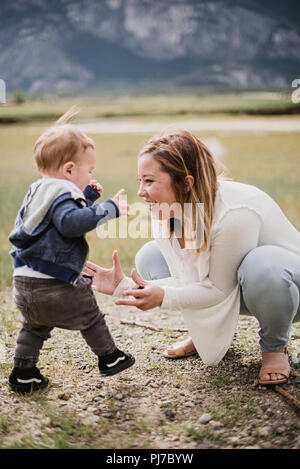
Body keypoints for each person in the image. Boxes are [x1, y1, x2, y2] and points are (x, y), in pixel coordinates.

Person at [83, 129, 300, 386]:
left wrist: (163, 296)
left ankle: (274, 347)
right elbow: (190, 280)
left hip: (284, 289)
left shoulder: (235, 211)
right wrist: (124, 287)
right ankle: (203, 334)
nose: (141, 191)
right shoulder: (169, 209)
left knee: (261, 266)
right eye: (140, 180)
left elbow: (218, 289)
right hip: (237, 286)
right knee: (150, 257)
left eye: (149, 181)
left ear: (186, 183)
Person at [8, 109, 135, 394]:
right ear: (68, 170)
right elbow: (68, 223)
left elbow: (54, 218)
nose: (91, 174)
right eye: (88, 170)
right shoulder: (62, 193)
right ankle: (109, 357)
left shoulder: (39, 190)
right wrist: (108, 209)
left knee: (35, 326)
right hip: (52, 284)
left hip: (25, 284)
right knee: (89, 314)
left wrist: (87, 197)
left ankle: (24, 373)